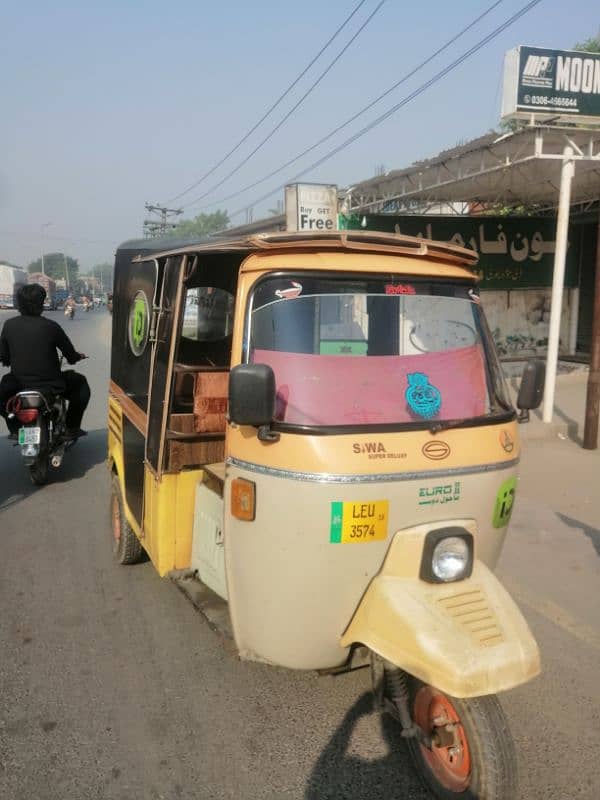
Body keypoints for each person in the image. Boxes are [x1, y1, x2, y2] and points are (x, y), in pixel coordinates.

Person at [0, 284, 90, 440]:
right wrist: (77, 357)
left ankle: (15, 429)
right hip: (52, 386)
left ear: (19, 304)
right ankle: (71, 428)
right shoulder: (51, 327)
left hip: (17, 385)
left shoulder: (9, 325)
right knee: (81, 385)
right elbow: (70, 355)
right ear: (41, 303)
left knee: (2, 395)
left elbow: (4, 357)